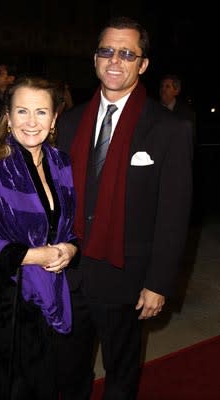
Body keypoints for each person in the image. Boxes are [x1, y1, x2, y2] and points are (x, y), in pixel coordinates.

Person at [56, 16, 193, 400]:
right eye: (107, 51)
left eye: (127, 53)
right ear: (95, 58)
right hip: (69, 273)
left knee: (120, 378)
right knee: (67, 373)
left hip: (127, 278)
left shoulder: (169, 130)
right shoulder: (68, 122)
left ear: (143, 64)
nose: (115, 60)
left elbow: (173, 214)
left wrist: (158, 283)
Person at [0, 76, 78, 400]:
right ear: (8, 117)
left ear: (54, 119)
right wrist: (32, 255)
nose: (31, 121)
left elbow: (69, 226)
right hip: (4, 308)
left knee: (44, 386)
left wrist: (69, 248)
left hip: (49, 300)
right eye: (22, 111)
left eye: (41, 112)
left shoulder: (61, 164)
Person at [159, 74, 196, 138]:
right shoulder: (153, 110)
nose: (163, 89)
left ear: (176, 91)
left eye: (167, 86)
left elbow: (190, 138)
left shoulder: (186, 113)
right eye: (162, 86)